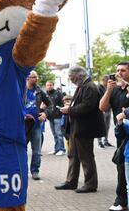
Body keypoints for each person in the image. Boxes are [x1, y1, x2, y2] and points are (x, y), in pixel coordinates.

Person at [55, 66, 105, 193]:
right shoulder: (83, 86)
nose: (71, 80)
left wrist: (69, 110)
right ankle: (71, 181)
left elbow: (87, 106)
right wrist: (70, 106)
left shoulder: (90, 87)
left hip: (85, 129)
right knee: (73, 155)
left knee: (86, 156)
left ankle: (90, 184)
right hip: (77, 128)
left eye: (72, 77)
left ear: (79, 75)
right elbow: (81, 104)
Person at [100, 61, 129, 211]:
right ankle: (122, 201)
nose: (119, 73)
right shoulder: (115, 90)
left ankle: (121, 201)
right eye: (117, 70)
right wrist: (109, 90)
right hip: (121, 135)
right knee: (121, 167)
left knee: (123, 166)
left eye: (123, 70)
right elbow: (103, 107)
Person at [24, 70, 51, 180]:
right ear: (28, 78)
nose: (36, 79)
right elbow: (13, 105)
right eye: (34, 77)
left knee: (37, 150)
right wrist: (22, 115)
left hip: (36, 125)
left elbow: (50, 104)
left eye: (36, 77)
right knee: (21, 149)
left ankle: (35, 171)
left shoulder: (39, 91)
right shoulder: (20, 90)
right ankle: (22, 170)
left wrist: (45, 113)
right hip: (23, 125)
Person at [45, 80, 65, 156]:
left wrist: (60, 111)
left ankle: (61, 149)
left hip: (58, 116)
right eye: (48, 85)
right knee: (54, 134)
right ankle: (57, 148)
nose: (49, 86)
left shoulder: (58, 93)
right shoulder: (46, 94)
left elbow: (63, 103)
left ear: (53, 85)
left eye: (50, 85)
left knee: (59, 133)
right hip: (50, 117)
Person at [98, 75, 114, 148]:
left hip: (108, 109)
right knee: (101, 126)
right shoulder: (98, 88)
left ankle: (106, 140)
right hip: (101, 110)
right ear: (104, 81)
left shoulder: (106, 87)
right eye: (106, 81)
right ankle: (100, 141)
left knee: (107, 126)